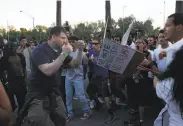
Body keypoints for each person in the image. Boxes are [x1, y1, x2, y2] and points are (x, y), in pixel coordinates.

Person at [17, 26, 85, 126]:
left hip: (54, 92)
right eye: (62, 38)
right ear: (53, 37)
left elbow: (75, 64)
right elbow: (47, 71)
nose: (66, 41)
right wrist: (64, 53)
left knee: (62, 117)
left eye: (66, 38)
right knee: (38, 121)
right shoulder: (39, 50)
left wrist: (79, 50)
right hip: (38, 93)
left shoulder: (60, 51)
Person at [153, 13, 183, 126]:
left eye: (167, 25)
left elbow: (167, 90)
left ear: (179, 27)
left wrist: (154, 75)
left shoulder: (177, 51)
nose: (164, 29)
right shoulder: (172, 50)